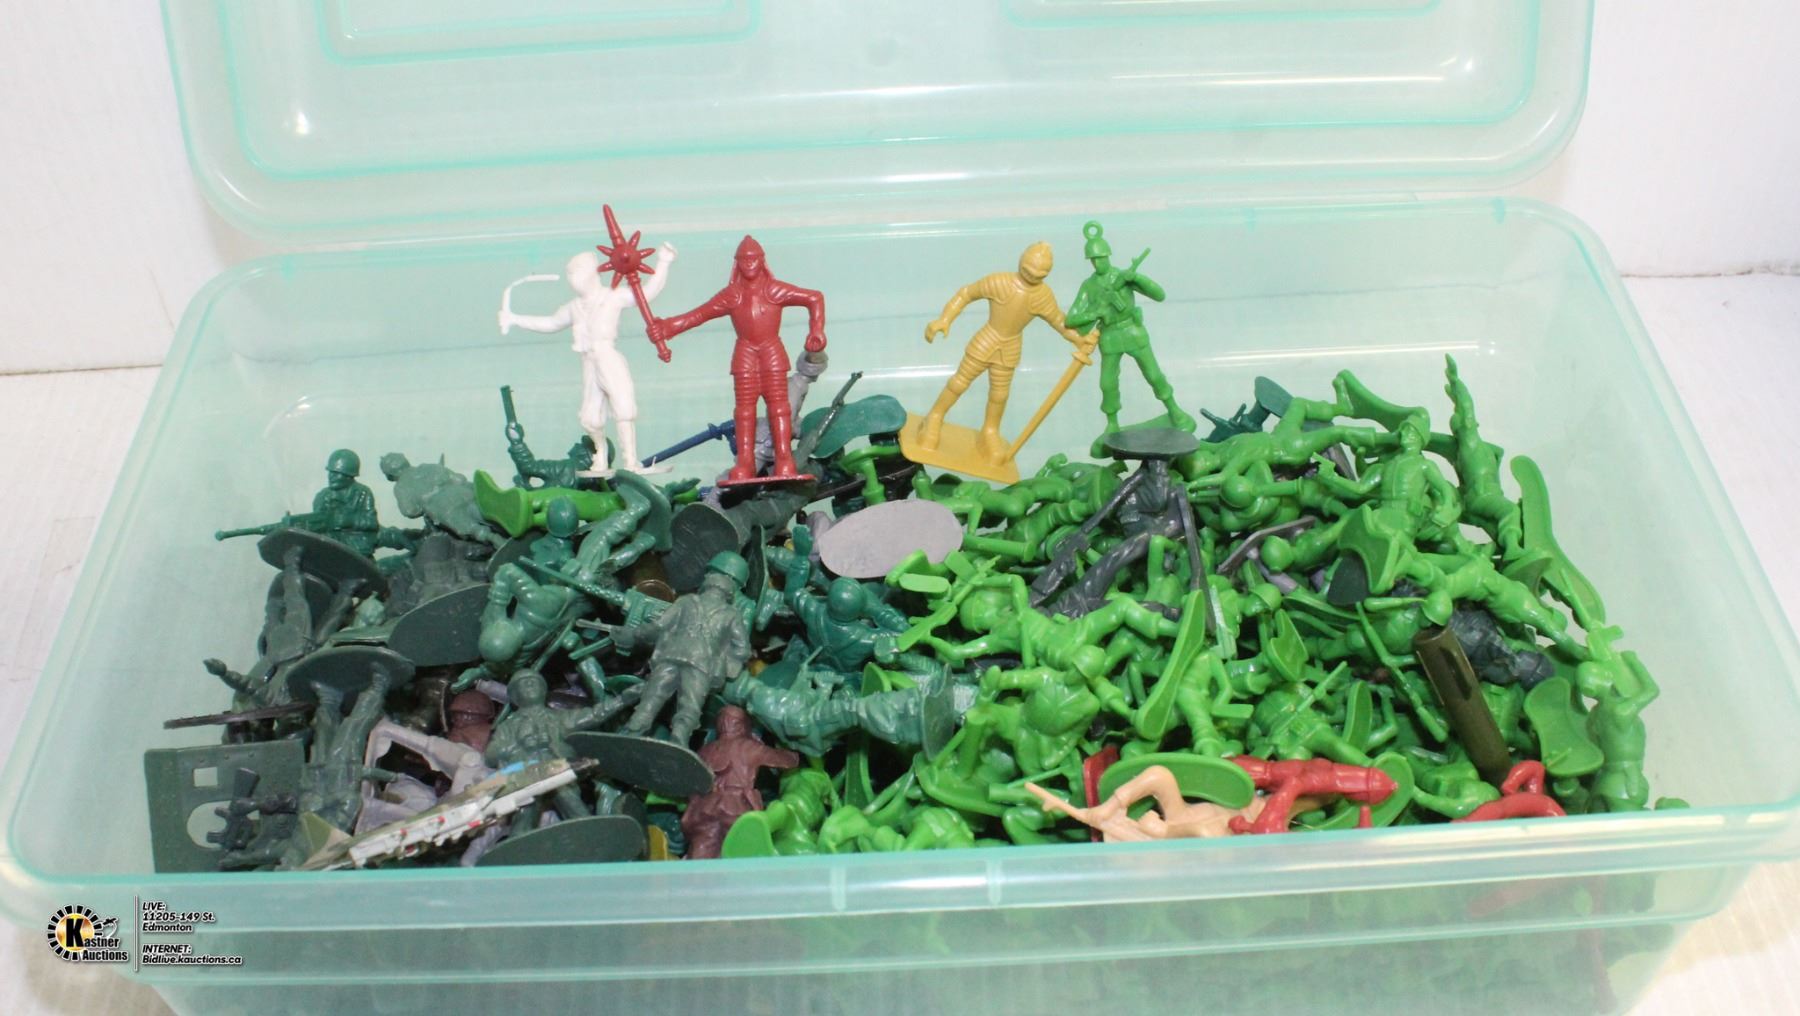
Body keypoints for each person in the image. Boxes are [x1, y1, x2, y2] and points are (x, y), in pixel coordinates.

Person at [647, 236, 826, 482]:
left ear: (762, 261)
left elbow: (814, 297)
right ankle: (745, 462)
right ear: (737, 263)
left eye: (754, 259)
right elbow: (699, 314)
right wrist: (667, 327)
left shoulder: (774, 289)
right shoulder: (733, 295)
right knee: (744, 410)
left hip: (771, 351)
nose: (749, 264)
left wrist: (816, 330)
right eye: (745, 260)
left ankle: (784, 459)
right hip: (745, 353)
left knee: (780, 408)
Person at [502, 244, 677, 476]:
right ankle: (600, 455)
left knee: (623, 408)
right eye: (570, 274)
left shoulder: (613, 297)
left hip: (608, 357)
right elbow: (551, 323)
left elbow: (647, 292)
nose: (573, 279)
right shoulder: (574, 307)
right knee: (590, 416)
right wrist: (515, 319)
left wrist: (664, 262)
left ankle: (630, 461)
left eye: (577, 272)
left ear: (592, 272)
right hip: (589, 361)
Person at [915, 242, 1094, 462]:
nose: (1032, 276)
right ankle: (935, 416)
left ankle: (990, 431)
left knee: (999, 395)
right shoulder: (1000, 281)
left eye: (1039, 275)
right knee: (959, 382)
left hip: (1010, 348)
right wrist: (944, 319)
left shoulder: (1043, 295)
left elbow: (1058, 321)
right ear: (1021, 263)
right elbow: (966, 293)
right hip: (986, 341)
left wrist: (1079, 340)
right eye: (1029, 271)